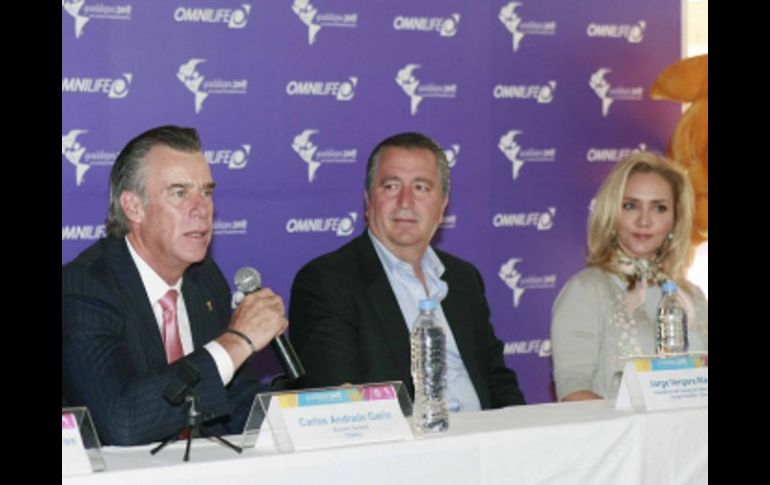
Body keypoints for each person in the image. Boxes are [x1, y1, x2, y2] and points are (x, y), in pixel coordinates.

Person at [62, 125, 288, 445]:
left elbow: (230, 397)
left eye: (207, 192)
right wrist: (237, 340)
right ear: (133, 207)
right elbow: (122, 422)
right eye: (180, 193)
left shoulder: (204, 279)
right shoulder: (83, 288)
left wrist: (309, 414)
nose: (202, 210)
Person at [289, 132, 526, 411]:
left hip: (484, 444)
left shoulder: (463, 278)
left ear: (443, 206)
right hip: (402, 448)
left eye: (421, 188)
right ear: (368, 201)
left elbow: (497, 381)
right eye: (391, 186)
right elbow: (340, 405)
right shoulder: (327, 282)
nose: (405, 201)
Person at [550, 151, 708, 401]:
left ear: (675, 221)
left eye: (659, 208)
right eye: (630, 206)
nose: (644, 221)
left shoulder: (693, 296)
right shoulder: (585, 290)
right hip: (621, 439)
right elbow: (572, 392)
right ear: (612, 213)